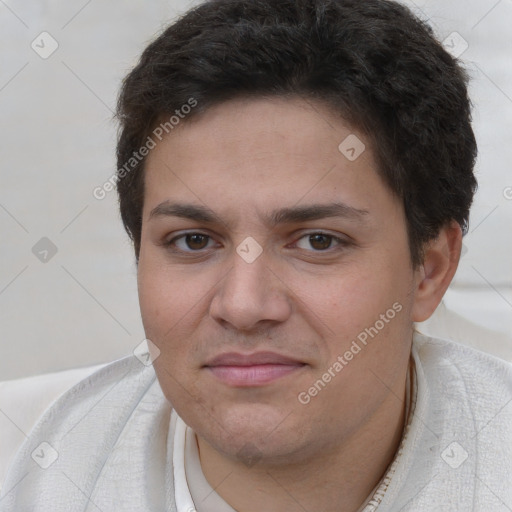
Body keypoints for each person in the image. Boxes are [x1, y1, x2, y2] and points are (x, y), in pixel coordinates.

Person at [1, 0, 511, 510]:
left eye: (318, 241)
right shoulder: (28, 470)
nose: (243, 306)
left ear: (430, 270)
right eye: (193, 241)